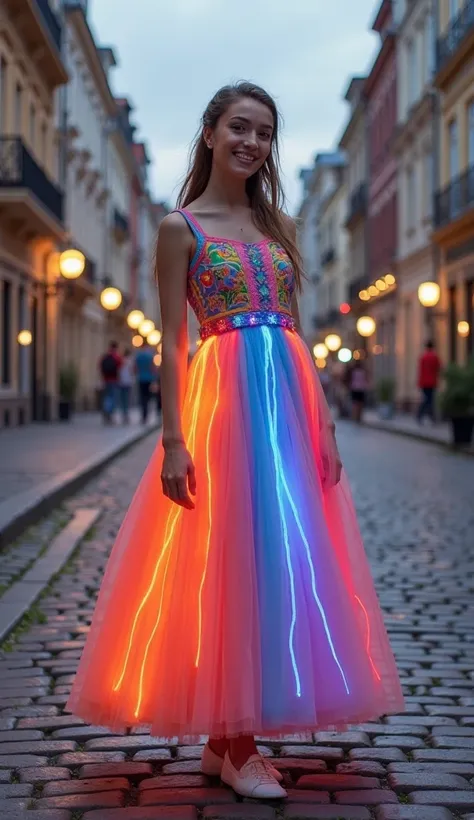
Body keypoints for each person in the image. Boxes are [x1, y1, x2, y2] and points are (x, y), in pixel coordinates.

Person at [68, 82, 403, 801]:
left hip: (284, 399)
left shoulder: (278, 225)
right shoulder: (177, 229)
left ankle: (227, 744)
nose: (251, 143)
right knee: (233, 556)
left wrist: (327, 423)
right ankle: (240, 741)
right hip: (222, 405)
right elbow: (173, 344)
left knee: (284, 555)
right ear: (212, 132)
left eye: (264, 133)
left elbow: (296, 331)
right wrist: (173, 440)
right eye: (239, 128)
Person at [417, 340, 441, 424]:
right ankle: (428, 416)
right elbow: (439, 368)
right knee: (429, 400)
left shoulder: (423, 357)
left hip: (424, 382)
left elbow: (420, 370)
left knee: (427, 399)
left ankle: (425, 415)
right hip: (432, 382)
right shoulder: (434, 357)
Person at [99, 341, 121, 423]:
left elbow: (100, 366)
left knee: (107, 397)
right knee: (113, 398)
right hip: (114, 380)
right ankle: (110, 414)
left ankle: (106, 411)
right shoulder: (116, 357)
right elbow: (120, 367)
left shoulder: (105, 356)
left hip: (105, 380)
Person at [135, 342, 156, 424]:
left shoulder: (138, 356)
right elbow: (153, 368)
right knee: (148, 398)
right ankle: (146, 415)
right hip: (149, 379)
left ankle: (143, 415)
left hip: (141, 379)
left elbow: (135, 368)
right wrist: (154, 379)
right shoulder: (150, 356)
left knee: (142, 397)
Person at [118, 349, 134, 424]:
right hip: (128, 382)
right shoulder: (130, 361)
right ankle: (126, 415)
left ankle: (124, 414)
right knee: (127, 399)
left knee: (122, 399)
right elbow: (132, 371)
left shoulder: (120, 360)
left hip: (121, 382)